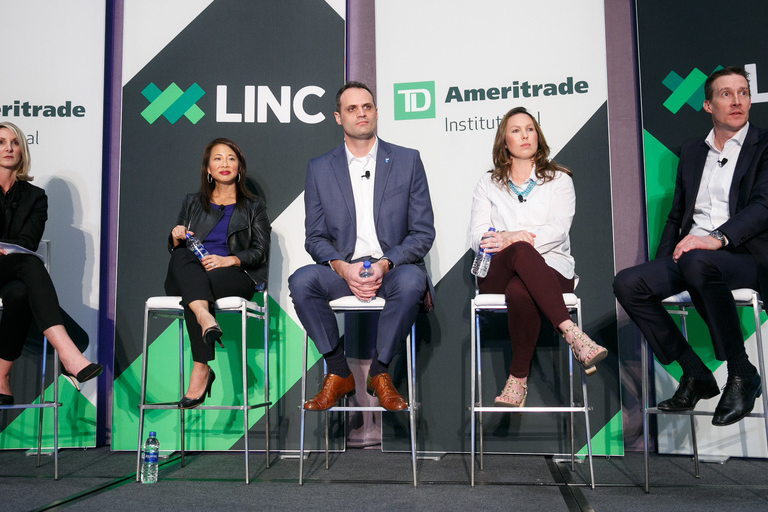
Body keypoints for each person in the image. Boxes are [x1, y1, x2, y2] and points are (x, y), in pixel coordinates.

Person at [614, 66, 768, 426]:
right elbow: (677, 214)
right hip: (696, 256)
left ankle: (742, 373)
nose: (737, 101)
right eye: (726, 94)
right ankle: (695, 372)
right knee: (628, 282)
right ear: (707, 105)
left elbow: (766, 208)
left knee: (698, 261)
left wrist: (714, 240)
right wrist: (667, 261)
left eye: (743, 92)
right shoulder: (692, 152)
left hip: (750, 257)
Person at [289, 82, 435, 411]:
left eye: (367, 107)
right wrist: (342, 266)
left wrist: (385, 264)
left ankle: (380, 372)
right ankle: (339, 371)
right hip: (344, 268)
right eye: (352, 109)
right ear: (338, 118)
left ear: (377, 113)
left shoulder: (407, 161)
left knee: (414, 280)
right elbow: (315, 236)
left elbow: (422, 232)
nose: (361, 113)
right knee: (301, 281)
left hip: (392, 268)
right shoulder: (319, 168)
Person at [0, 122, 102, 405]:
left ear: (21, 151)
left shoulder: (35, 197)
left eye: (14, 143)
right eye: (1, 142)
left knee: (19, 291)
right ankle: (68, 353)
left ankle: (0, 378)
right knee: (29, 266)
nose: (8, 148)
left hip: (11, 275)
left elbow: (27, 243)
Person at [469, 107, 607, 407]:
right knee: (519, 251)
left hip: (553, 268)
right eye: (516, 130)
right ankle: (571, 333)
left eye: (530, 128)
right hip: (497, 270)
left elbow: (557, 231)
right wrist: (511, 239)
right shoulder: (488, 183)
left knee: (520, 289)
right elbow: (478, 235)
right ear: (504, 141)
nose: (525, 135)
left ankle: (517, 380)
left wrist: (513, 234)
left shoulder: (559, 179)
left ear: (538, 135)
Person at [165, 138, 271, 408]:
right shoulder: (191, 202)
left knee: (196, 288)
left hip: (233, 276)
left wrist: (229, 260)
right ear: (208, 169)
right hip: (192, 271)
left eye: (231, 158)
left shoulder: (254, 207)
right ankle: (205, 316)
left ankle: (201, 367)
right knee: (182, 256)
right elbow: (177, 246)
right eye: (218, 158)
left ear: (240, 167)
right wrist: (176, 236)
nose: (225, 163)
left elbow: (260, 251)